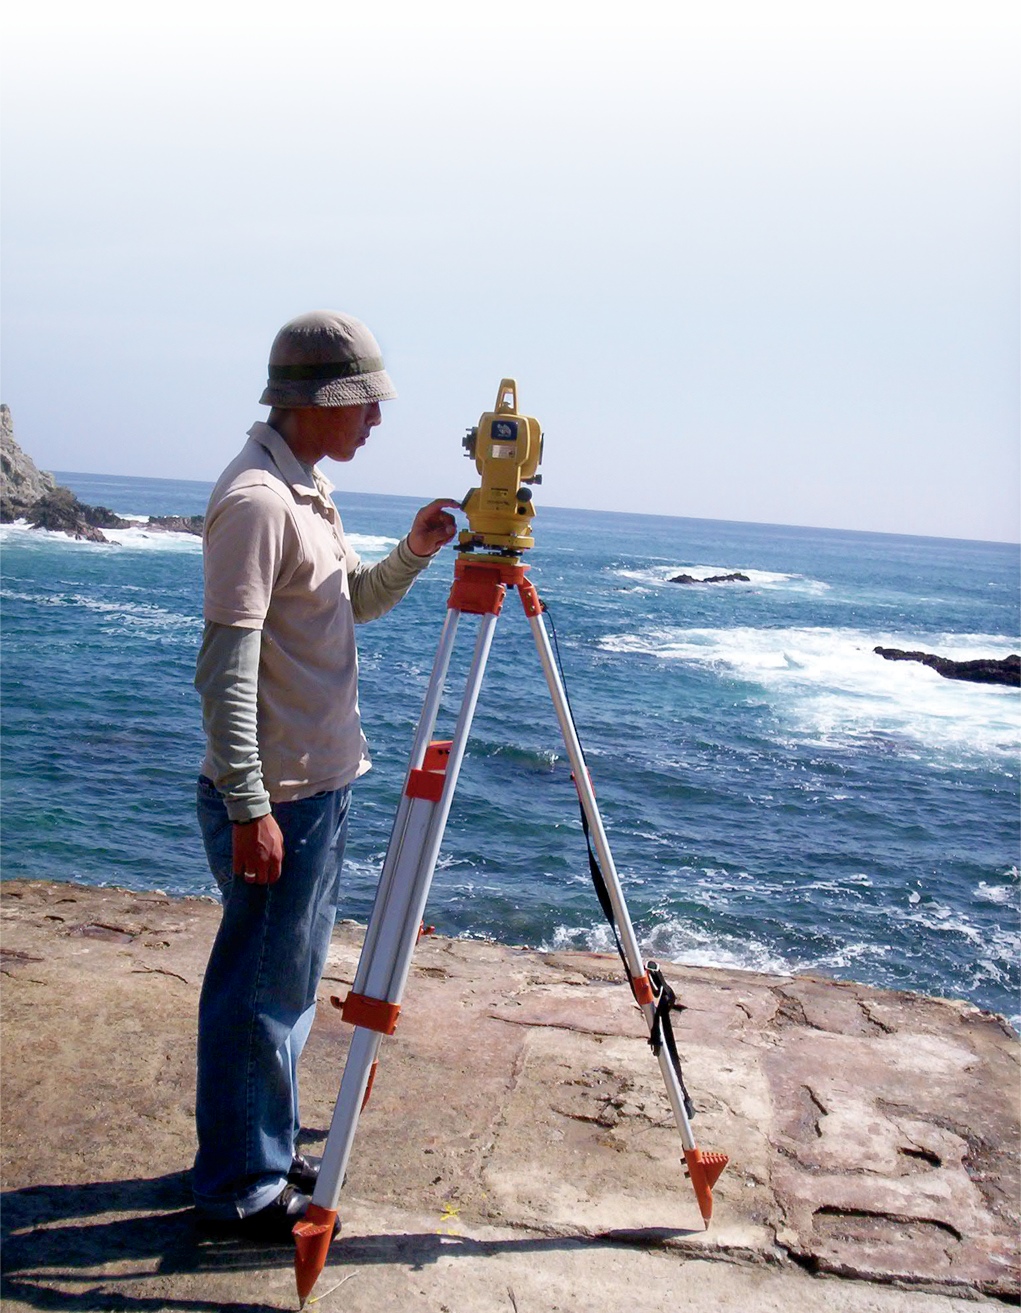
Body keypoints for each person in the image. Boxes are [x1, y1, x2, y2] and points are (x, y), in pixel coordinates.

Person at [192, 309, 459, 1236]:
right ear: (319, 402)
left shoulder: (306, 487)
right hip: (281, 795)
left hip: (315, 785)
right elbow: (224, 666)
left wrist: (417, 552)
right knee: (258, 997)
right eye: (364, 403)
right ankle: (239, 1189)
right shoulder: (259, 501)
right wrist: (247, 804)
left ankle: (257, 1148)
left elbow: (353, 599)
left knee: (287, 988)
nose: (375, 422)